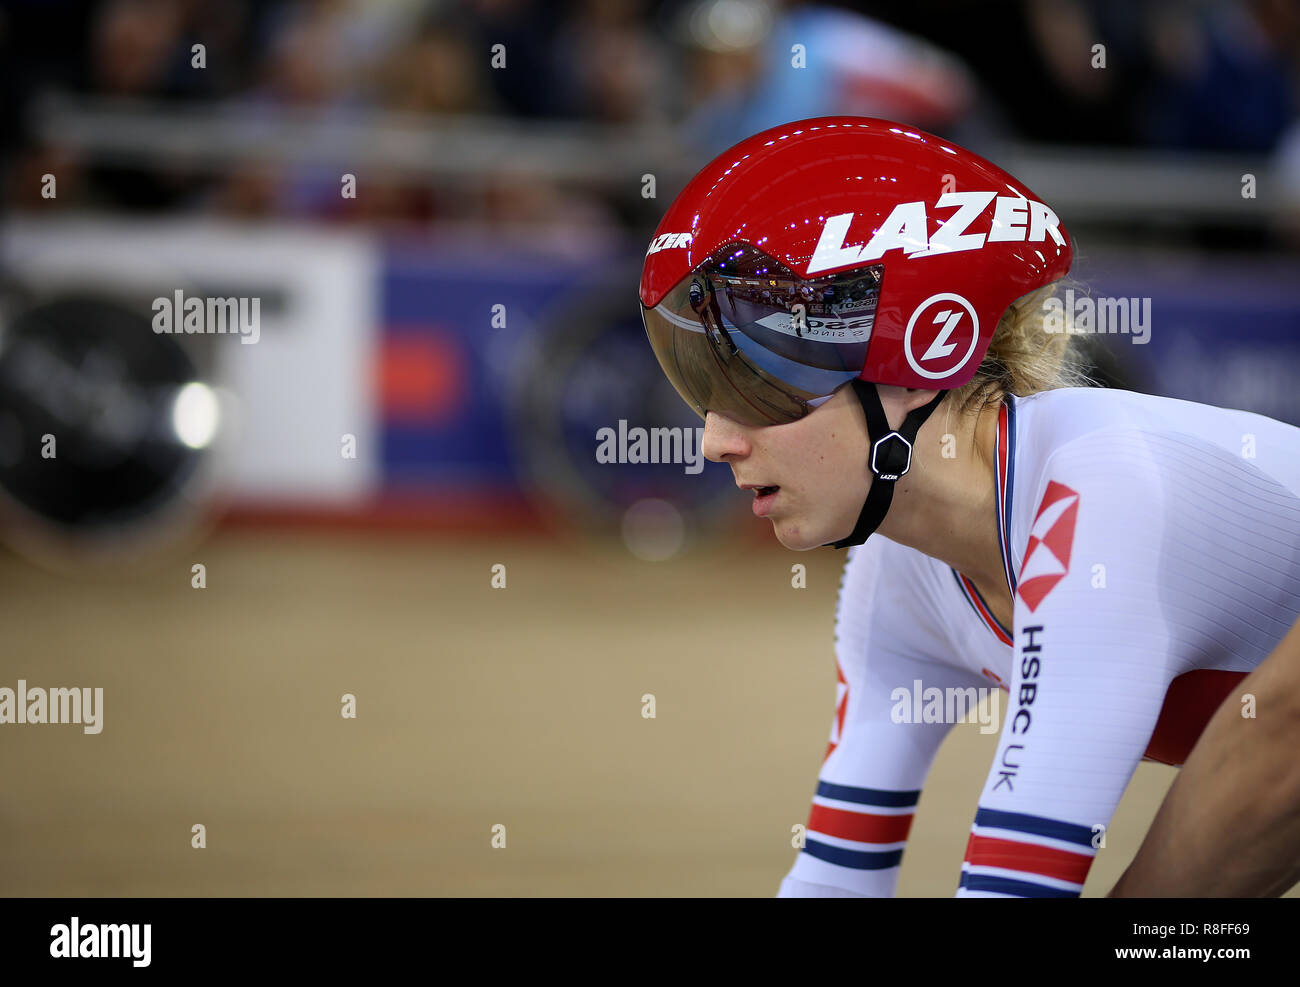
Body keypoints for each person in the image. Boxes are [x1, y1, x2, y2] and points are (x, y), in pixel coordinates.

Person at [638, 116, 1300, 897]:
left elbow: (1018, 885)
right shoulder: (898, 561)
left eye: (757, 381)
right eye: (701, 385)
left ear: (926, 357)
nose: (715, 440)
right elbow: (833, 880)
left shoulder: (1102, 491)